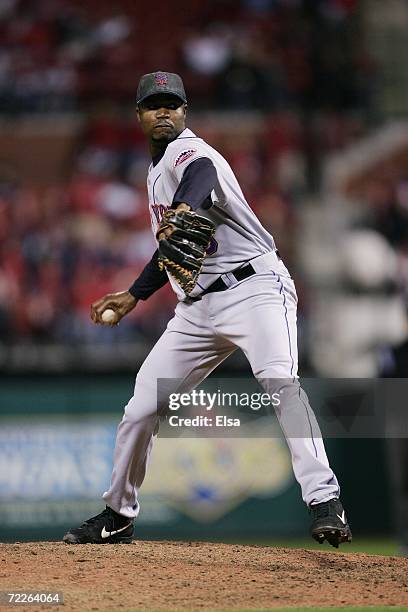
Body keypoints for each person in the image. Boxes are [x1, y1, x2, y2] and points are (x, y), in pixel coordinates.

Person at [63, 71, 352, 547]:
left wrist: (183, 207)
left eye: (171, 104)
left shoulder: (188, 152)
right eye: (153, 104)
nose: (163, 111)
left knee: (280, 382)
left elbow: (203, 177)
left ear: (184, 112)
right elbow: (174, 251)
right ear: (138, 115)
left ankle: (326, 502)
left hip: (255, 288)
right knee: (141, 407)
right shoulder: (155, 173)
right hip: (197, 309)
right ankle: (118, 515)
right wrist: (134, 294)